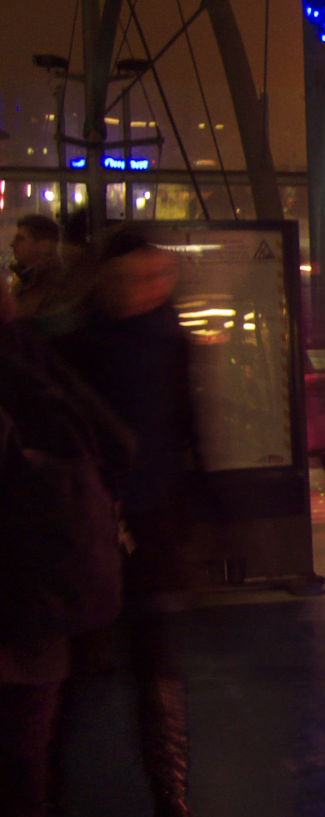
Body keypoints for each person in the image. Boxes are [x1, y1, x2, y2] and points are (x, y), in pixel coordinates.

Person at [60, 229, 201, 817]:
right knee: (91, 654)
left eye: (156, 278)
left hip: (138, 516)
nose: (148, 289)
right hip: (99, 519)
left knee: (147, 655)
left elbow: (185, 428)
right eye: (138, 278)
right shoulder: (85, 347)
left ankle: (167, 790)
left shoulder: (140, 342)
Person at [0, 281, 133, 817]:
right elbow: (118, 444)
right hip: (45, 587)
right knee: (29, 739)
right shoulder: (33, 359)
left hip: (20, 587)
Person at [8, 215, 64, 323]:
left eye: (20, 239)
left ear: (45, 245)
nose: (12, 244)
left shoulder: (55, 285)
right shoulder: (25, 281)